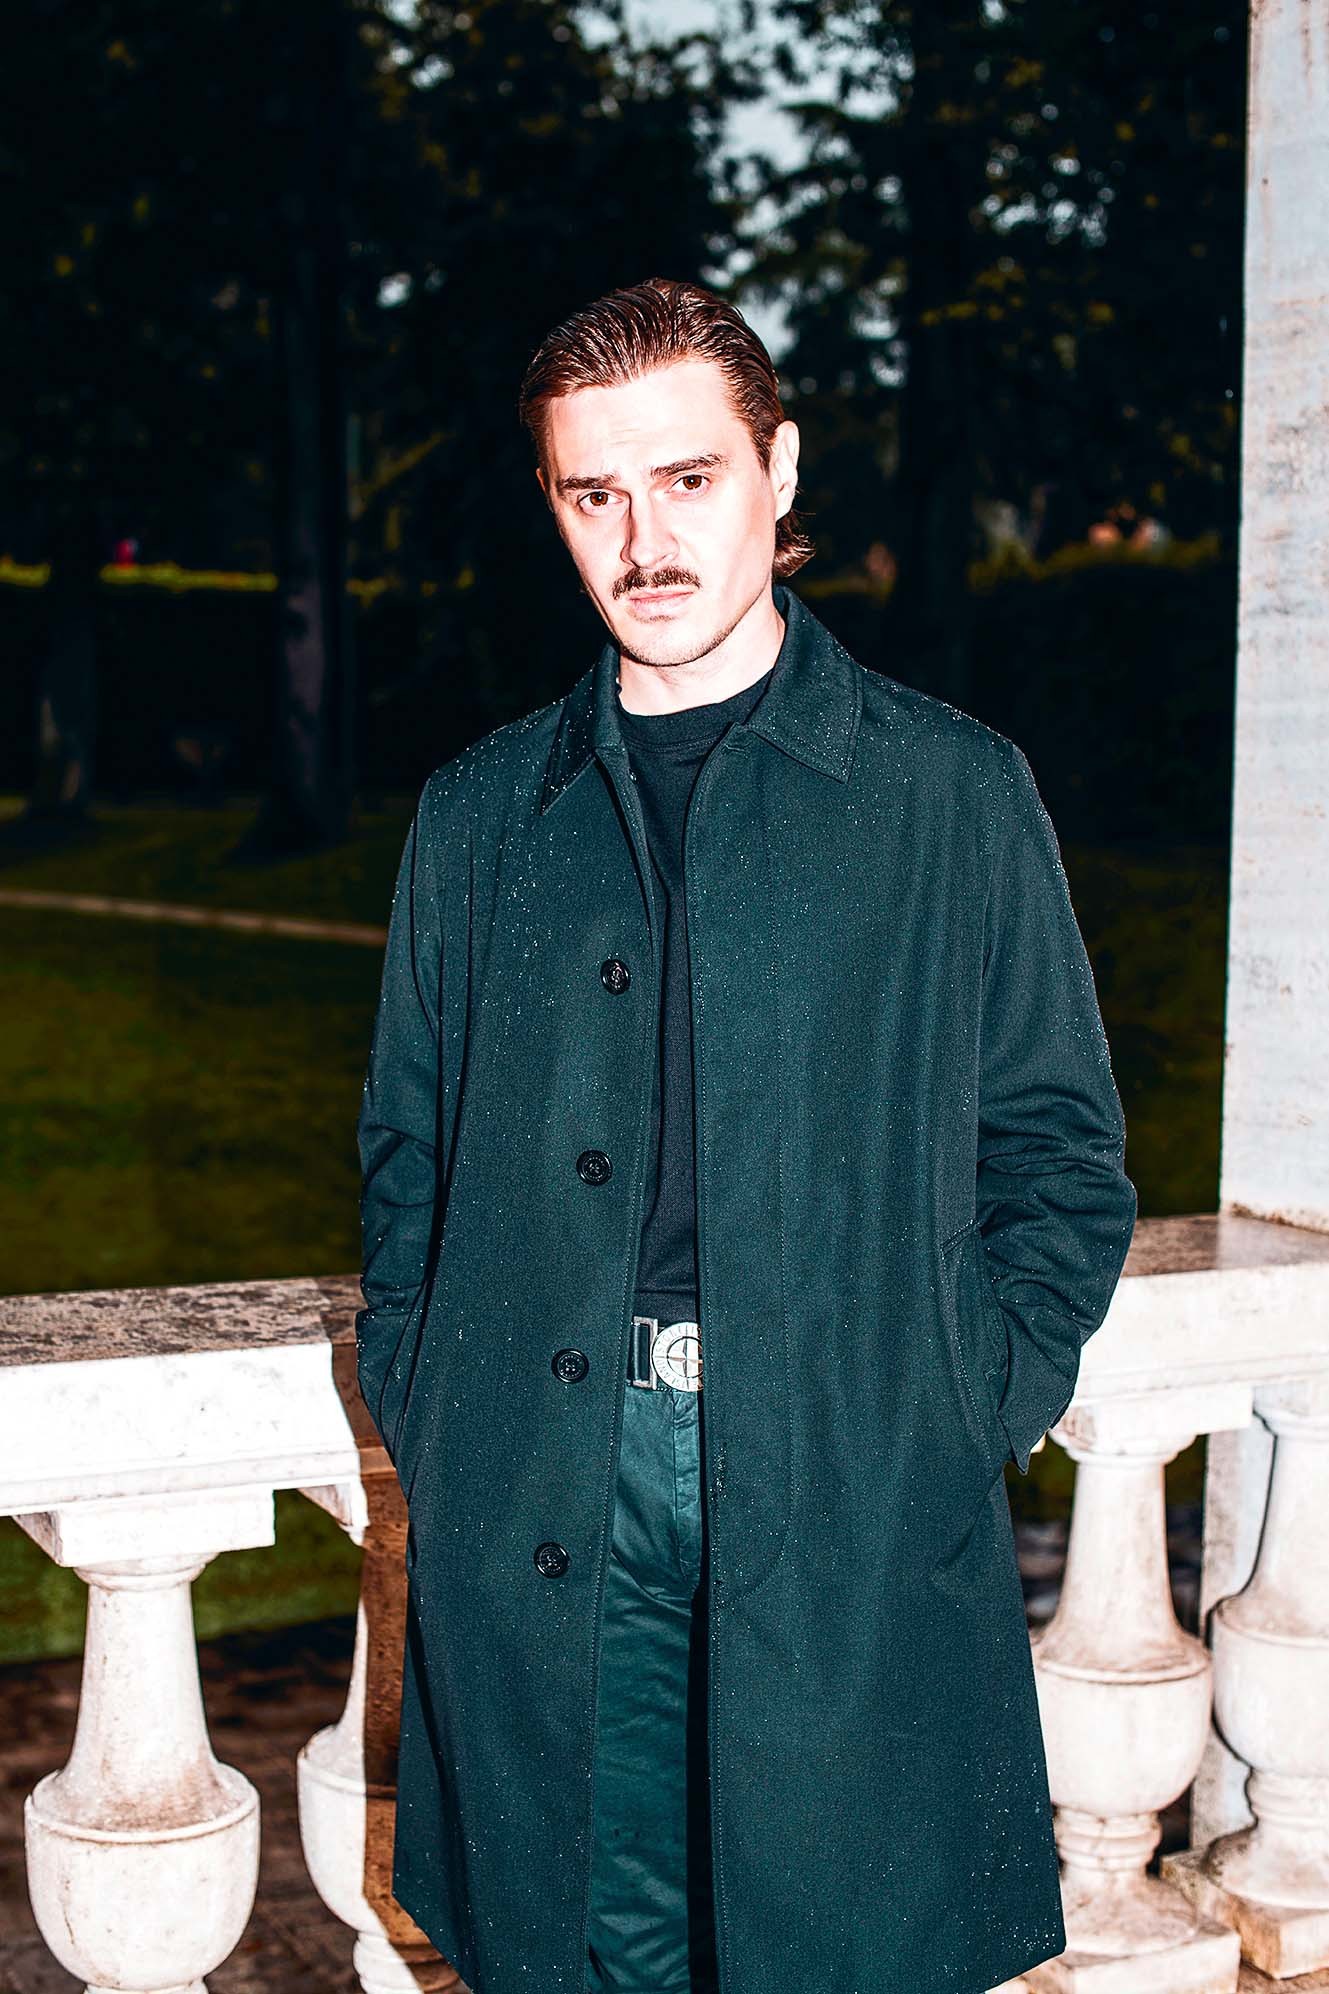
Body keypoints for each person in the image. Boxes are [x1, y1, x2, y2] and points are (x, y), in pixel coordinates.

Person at [355, 276, 1137, 1994]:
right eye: (594, 493)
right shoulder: (479, 813)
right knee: (596, 1936)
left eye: (687, 478)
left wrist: (959, 1403)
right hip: (549, 1471)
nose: (643, 540)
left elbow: (1059, 1158)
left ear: (777, 470)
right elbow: (408, 1158)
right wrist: (442, 1411)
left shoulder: (949, 792)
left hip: (851, 1456)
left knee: (834, 1938)